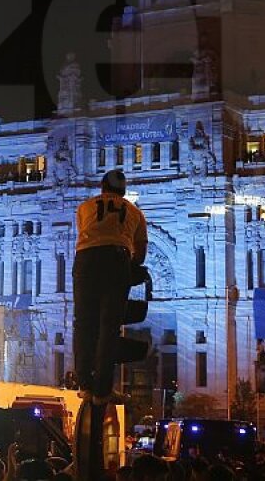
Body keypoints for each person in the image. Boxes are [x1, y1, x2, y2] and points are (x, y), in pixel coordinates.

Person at [72, 169, 147, 405]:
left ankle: (84, 383)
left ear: (102, 187)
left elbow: (84, 234)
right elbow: (141, 254)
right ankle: (102, 390)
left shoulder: (85, 207)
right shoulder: (134, 212)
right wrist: (130, 264)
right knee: (109, 327)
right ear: (123, 192)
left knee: (83, 323)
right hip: (116, 260)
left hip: (85, 261)